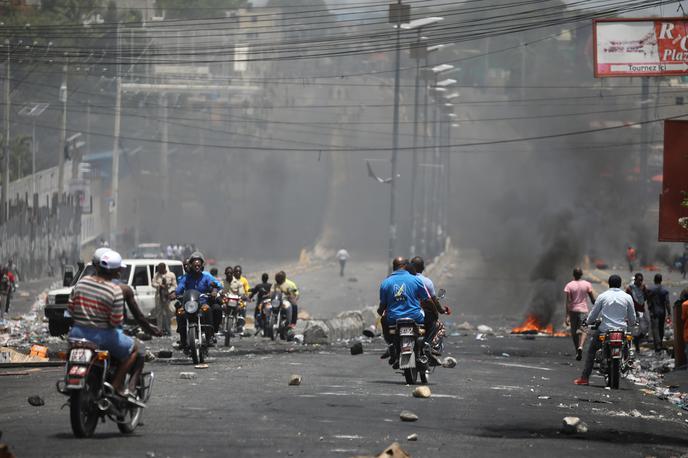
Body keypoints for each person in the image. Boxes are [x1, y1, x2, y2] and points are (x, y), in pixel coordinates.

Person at [67, 250, 138, 399]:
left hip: (77, 334)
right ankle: (116, 385)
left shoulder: (82, 283)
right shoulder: (115, 291)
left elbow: (71, 310)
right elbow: (115, 321)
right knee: (134, 350)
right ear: (116, 272)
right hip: (102, 337)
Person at [574, 274, 636, 386]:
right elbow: (632, 317)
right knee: (628, 346)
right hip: (621, 330)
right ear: (620, 284)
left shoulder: (602, 296)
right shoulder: (627, 297)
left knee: (592, 350)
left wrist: (587, 322)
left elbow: (593, 314)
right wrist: (632, 323)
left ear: (609, 284)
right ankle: (626, 360)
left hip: (605, 330)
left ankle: (584, 378)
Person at [378, 257, 431, 367]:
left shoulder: (385, 283)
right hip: (415, 316)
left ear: (394, 267)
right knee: (428, 321)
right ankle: (426, 345)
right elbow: (427, 299)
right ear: (406, 266)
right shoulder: (416, 280)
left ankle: (391, 344)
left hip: (394, 319)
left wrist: (380, 311)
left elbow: (382, 305)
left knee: (383, 320)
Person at [171, 252, 222, 347]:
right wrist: (174, 293)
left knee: (209, 309)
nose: (197, 267)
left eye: (199, 265)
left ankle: (210, 336)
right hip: (189, 304)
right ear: (191, 266)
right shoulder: (186, 278)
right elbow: (180, 288)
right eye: (195, 265)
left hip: (202, 303)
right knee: (180, 312)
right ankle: (182, 339)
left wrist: (214, 290)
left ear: (202, 266)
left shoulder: (206, 276)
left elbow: (215, 285)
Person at [409, 256, 451, 354]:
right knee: (438, 326)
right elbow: (432, 300)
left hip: (405, 312)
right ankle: (429, 345)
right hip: (422, 314)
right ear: (423, 268)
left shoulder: (404, 281)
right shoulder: (426, 281)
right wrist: (441, 310)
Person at [564, 268, 596, 361]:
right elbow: (592, 299)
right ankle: (581, 346)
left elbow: (568, 302)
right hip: (583, 310)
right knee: (584, 330)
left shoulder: (569, 285)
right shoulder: (587, 284)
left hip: (573, 310)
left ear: (573, 274)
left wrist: (567, 316)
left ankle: (577, 351)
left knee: (574, 331)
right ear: (581, 274)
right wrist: (598, 307)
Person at [647, 273, 671, 353]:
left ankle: (657, 346)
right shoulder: (665, 290)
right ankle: (660, 342)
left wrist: (649, 307)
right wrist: (669, 313)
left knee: (655, 328)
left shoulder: (650, 289)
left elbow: (648, 300)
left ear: (654, 280)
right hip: (662, 311)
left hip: (654, 311)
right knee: (661, 328)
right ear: (661, 280)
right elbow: (667, 302)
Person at [151, 262, 177, 336]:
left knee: (170, 311)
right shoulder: (157, 275)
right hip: (159, 296)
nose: (159, 270)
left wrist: (169, 291)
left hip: (167, 296)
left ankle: (168, 329)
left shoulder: (171, 275)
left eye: (160, 269)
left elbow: (175, 285)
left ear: (164, 268)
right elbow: (153, 283)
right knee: (159, 313)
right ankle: (160, 330)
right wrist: (159, 285)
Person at [626, 273, 649, 352]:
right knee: (631, 329)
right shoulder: (630, 289)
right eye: (639, 280)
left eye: (641, 280)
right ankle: (630, 347)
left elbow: (646, 297)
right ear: (635, 280)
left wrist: (644, 290)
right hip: (632, 311)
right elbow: (627, 300)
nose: (640, 282)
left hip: (641, 311)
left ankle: (636, 340)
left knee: (645, 328)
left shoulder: (643, 287)